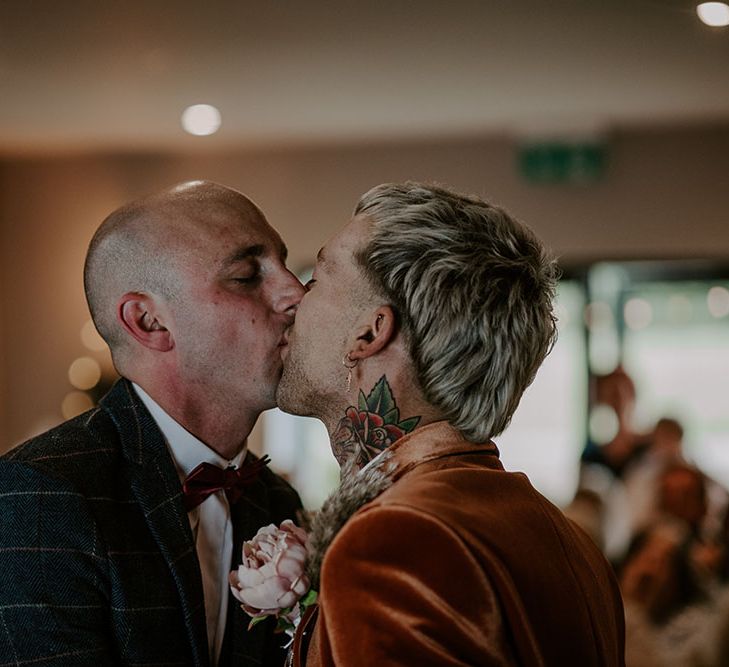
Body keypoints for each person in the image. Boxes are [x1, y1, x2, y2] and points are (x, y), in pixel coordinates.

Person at [277, 182, 625, 666]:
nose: (292, 300)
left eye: (316, 278)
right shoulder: (570, 542)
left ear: (369, 332)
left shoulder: (396, 539)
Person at [0, 181, 304, 666]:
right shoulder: (42, 495)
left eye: (284, 265)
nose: (294, 291)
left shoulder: (278, 501)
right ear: (148, 323)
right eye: (248, 275)